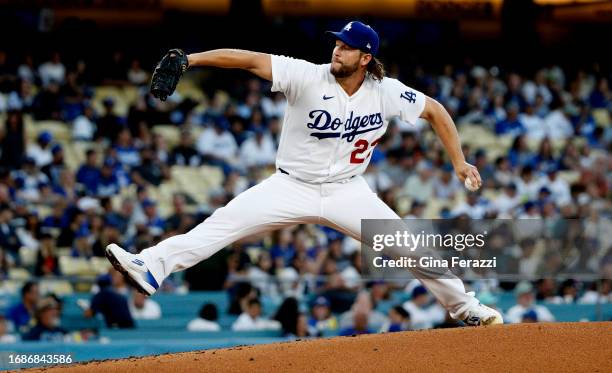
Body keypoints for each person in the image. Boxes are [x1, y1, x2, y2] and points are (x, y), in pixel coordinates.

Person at [106, 20, 502, 326]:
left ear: (365, 58)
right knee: (220, 225)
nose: (337, 50)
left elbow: (435, 110)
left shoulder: (387, 90)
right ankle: (151, 266)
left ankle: (465, 307)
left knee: (412, 249)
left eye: (346, 47)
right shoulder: (306, 75)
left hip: (348, 191)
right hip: (290, 186)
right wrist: (191, 60)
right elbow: (249, 59)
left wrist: (458, 160)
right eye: (336, 43)